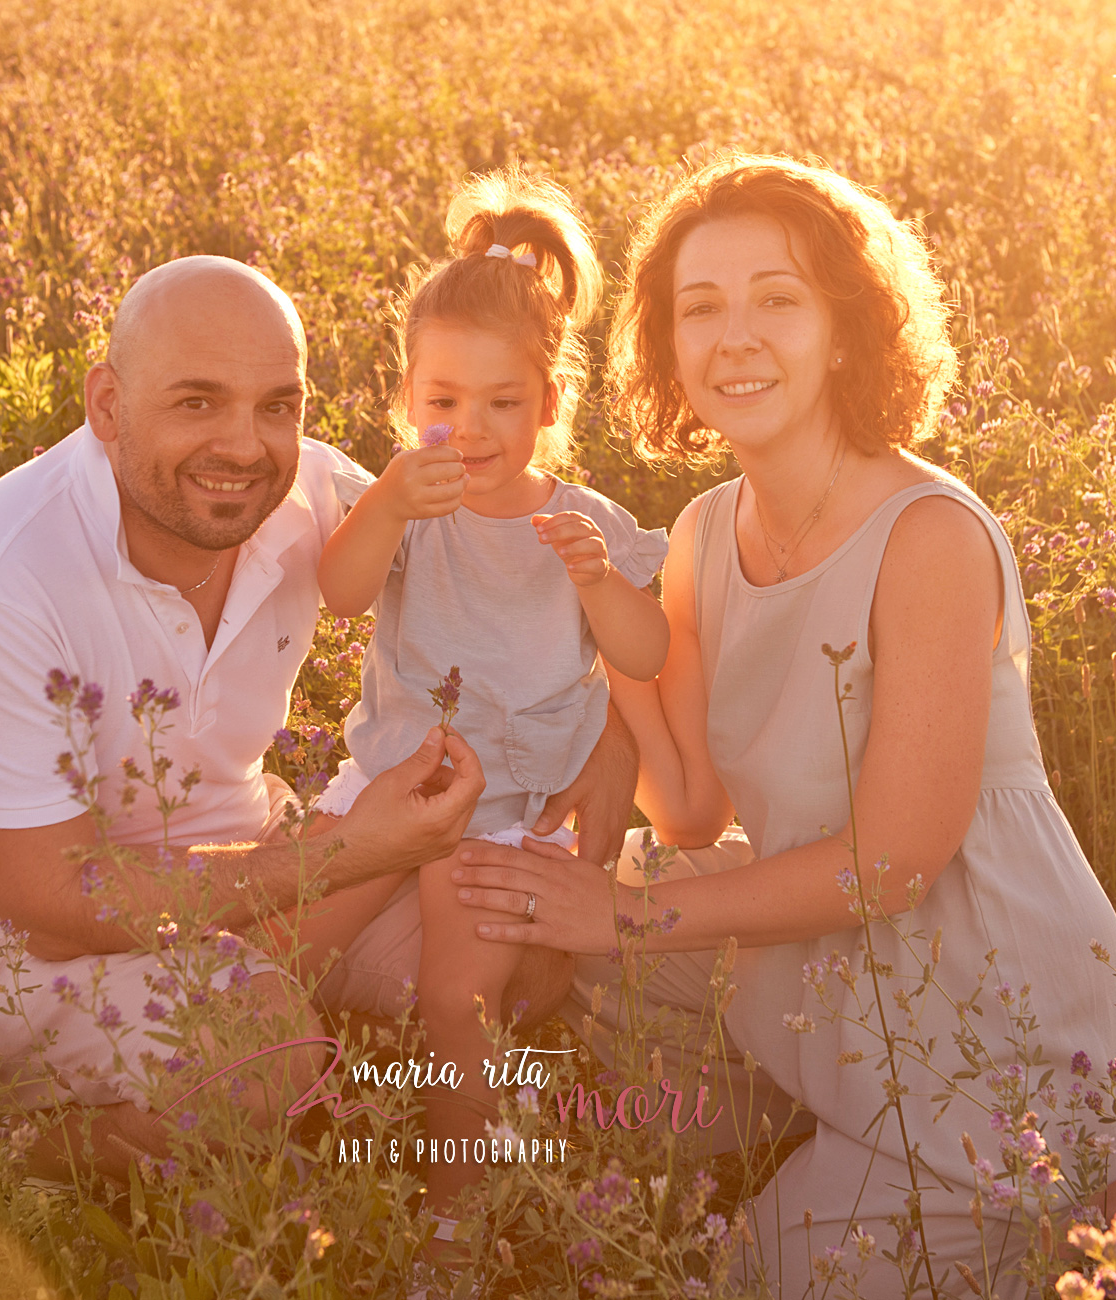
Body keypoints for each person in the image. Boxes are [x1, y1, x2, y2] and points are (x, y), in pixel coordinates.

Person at [448, 155, 1116, 1297]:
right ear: (667, 346)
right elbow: (687, 803)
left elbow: (893, 866)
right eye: (701, 308)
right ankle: (823, 1132)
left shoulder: (927, 536)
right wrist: (596, 606)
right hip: (827, 958)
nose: (736, 338)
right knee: (547, 919)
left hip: (988, 1013)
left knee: (759, 1281)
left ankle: (1054, 1206)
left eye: (778, 299)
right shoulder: (707, 530)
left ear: (844, 327)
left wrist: (624, 914)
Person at [0, 255, 636, 1182]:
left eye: (276, 406)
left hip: (236, 852)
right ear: (107, 404)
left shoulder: (299, 490)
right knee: (261, 1055)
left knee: (524, 951)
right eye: (195, 402)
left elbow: (502, 546)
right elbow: (54, 906)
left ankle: (268, 1011)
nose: (243, 445)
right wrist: (348, 853)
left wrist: (611, 719)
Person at [306, 169, 671, 1227]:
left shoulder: (582, 519)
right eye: (442, 403)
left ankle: (455, 1215)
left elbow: (643, 654)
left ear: (551, 405)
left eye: (503, 404)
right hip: (389, 786)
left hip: (510, 814)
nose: (470, 429)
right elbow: (338, 598)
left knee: (454, 1006)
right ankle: (307, 1119)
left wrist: (598, 578)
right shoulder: (408, 500)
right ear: (405, 403)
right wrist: (380, 503)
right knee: (281, 951)